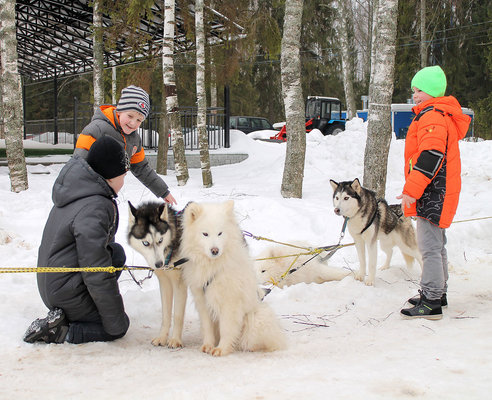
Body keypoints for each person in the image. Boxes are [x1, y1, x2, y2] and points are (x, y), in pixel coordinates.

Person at [23, 136, 131, 344]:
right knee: (117, 329)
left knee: (115, 253)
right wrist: (115, 322)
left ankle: (71, 314)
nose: (124, 181)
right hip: (65, 292)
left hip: (52, 285)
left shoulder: (77, 190)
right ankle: (62, 331)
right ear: (110, 175)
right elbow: (96, 269)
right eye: (123, 175)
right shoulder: (96, 206)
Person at [397, 65, 471, 320]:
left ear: (430, 92)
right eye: (413, 90)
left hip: (433, 191)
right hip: (438, 190)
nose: (414, 95)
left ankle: (431, 302)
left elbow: (431, 155)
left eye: (418, 90)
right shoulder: (438, 114)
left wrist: (412, 190)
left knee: (429, 246)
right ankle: (438, 293)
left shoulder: (432, 116)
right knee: (437, 245)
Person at [74, 85, 177, 205]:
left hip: (106, 195)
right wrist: (80, 196)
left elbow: (142, 168)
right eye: (130, 116)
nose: (133, 123)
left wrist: (163, 191)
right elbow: (78, 163)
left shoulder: (134, 140)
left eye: (139, 120)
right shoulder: (96, 129)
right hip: (85, 195)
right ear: (119, 110)